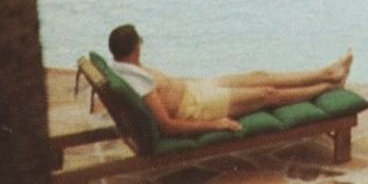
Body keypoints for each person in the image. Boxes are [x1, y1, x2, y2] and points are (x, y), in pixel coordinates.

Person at [104, 24, 351, 137]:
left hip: (196, 90)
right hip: (198, 108)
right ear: (136, 48)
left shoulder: (120, 66)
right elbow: (168, 125)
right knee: (268, 94)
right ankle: (330, 86)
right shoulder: (139, 84)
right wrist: (216, 124)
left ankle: (327, 72)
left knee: (259, 76)